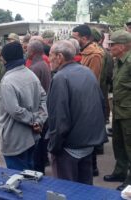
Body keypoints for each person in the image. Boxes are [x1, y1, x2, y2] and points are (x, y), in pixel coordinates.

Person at [46, 40, 107, 185]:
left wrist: (54, 147)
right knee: (85, 189)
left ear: (59, 57)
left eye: (50, 55)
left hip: (69, 147)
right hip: (88, 144)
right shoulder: (87, 72)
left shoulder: (60, 78)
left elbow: (59, 119)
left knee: (66, 191)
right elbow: (100, 104)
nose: (49, 59)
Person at [0, 41, 47, 170]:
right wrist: (38, 120)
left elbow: (15, 111)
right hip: (32, 137)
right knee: (30, 174)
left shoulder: (7, 81)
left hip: (15, 139)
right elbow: (44, 98)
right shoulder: (31, 75)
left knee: (18, 180)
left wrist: (33, 120)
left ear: (5, 58)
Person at [103, 30, 131, 191]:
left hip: (129, 113)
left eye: (112, 44)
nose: (109, 47)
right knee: (118, 145)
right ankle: (120, 172)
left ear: (121, 46)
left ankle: (129, 182)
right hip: (120, 111)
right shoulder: (118, 61)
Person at [27, 40, 51, 173]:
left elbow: (32, 92)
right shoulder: (43, 64)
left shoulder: (35, 68)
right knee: (42, 143)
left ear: (32, 51)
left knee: (38, 144)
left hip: (39, 109)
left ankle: (38, 170)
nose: (26, 52)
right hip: (44, 107)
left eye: (27, 49)